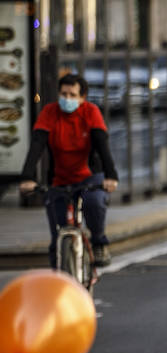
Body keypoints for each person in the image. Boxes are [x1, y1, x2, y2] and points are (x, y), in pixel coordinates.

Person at [18, 72, 119, 267]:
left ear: (83, 98)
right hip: (59, 177)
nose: (67, 99)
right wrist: (27, 177)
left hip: (89, 175)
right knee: (57, 235)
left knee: (94, 202)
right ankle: (60, 278)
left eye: (73, 95)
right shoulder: (50, 112)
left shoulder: (91, 112)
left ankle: (99, 243)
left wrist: (111, 176)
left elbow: (101, 144)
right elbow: (37, 144)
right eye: (64, 94)